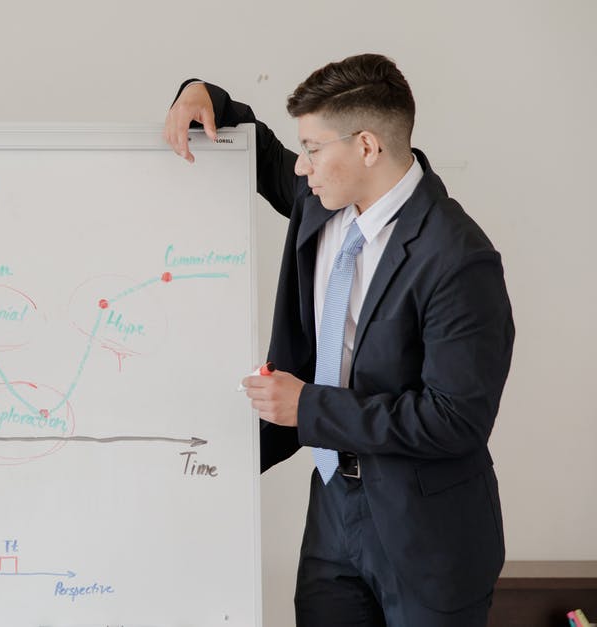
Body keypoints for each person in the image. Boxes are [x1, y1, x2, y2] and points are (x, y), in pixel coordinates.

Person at [163, 54, 514, 626]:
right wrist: (199, 91)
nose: (300, 166)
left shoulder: (458, 259)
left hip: (427, 534)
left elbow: (455, 419)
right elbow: (253, 144)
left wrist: (308, 406)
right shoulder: (320, 201)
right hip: (332, 517)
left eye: (314, 148)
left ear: (367, 147)